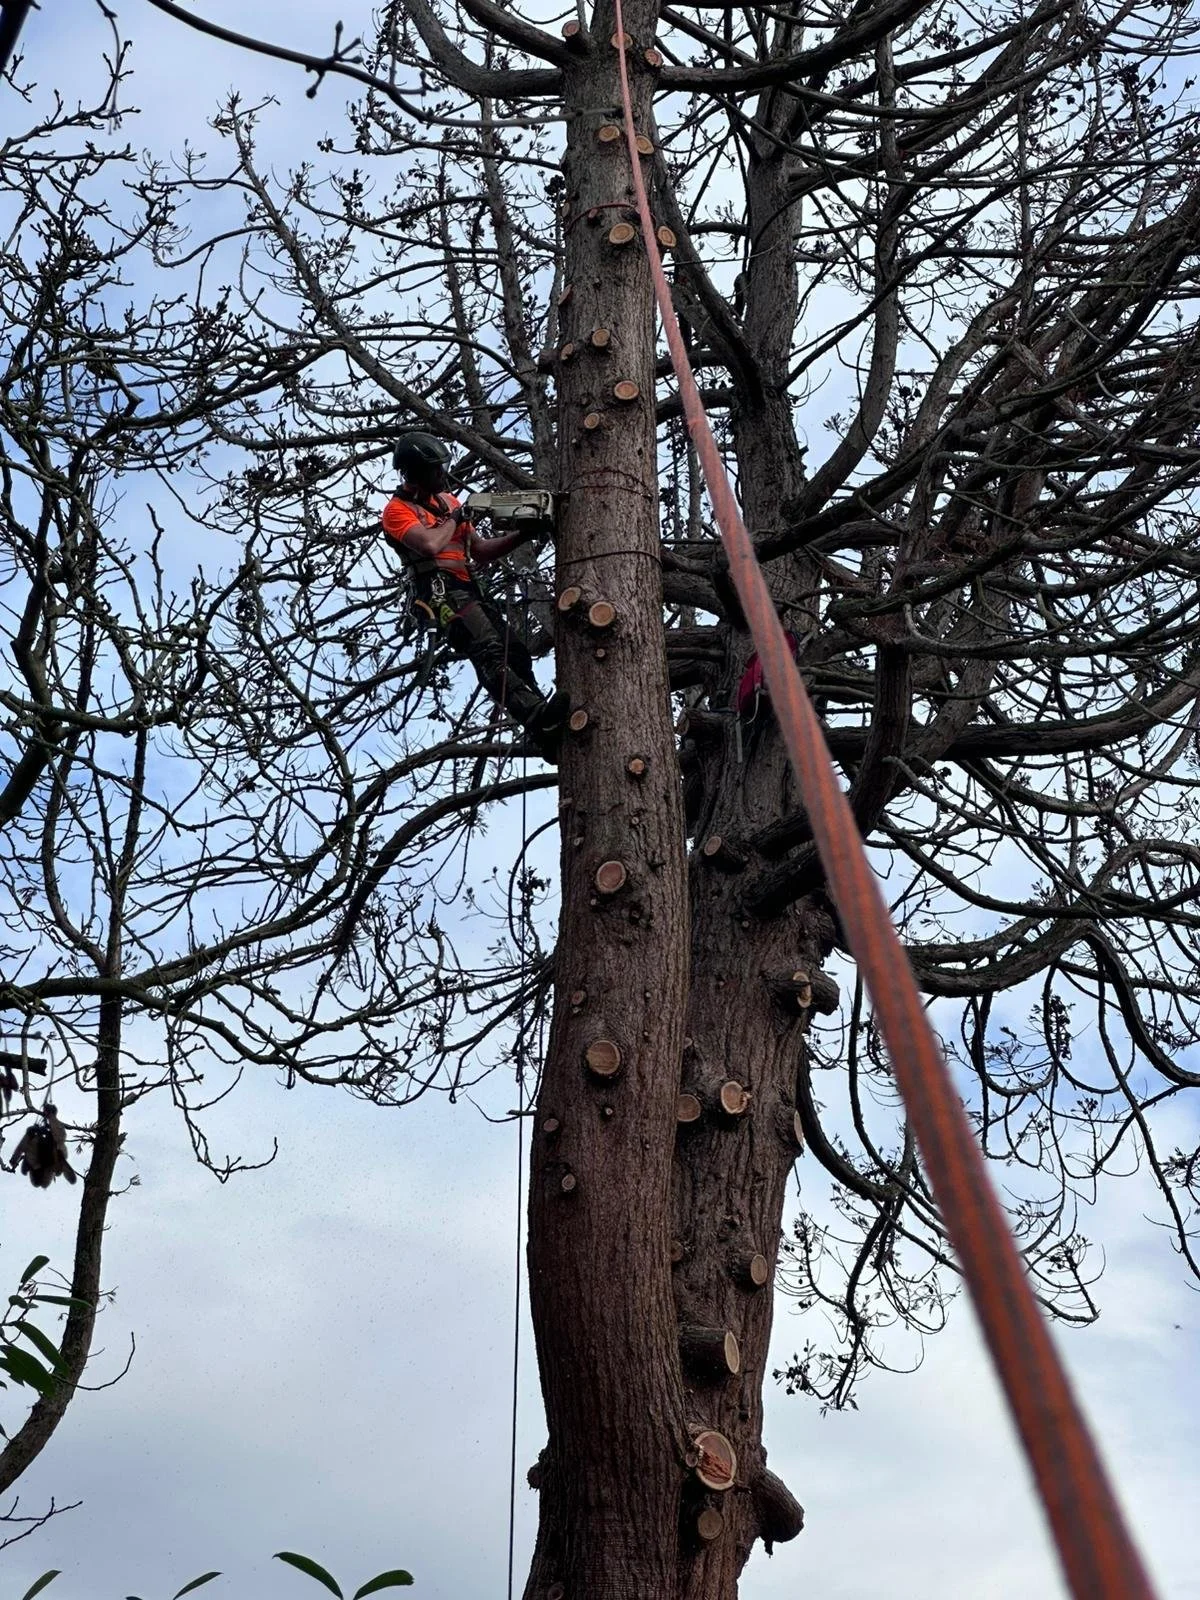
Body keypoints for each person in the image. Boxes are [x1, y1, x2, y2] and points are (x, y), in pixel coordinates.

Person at [381, 432, 569, 760]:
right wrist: (455, 519)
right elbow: (429, 545)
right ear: (413, 472)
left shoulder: (449, 502)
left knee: (517, 652)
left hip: (467, 588)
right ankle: (538, 716)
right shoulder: (396, 511)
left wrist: (525, 533)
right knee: (490, 651)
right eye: (435, 469)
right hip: (438, 594)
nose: (443, 474)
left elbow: (480, 551)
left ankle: (542, 727)